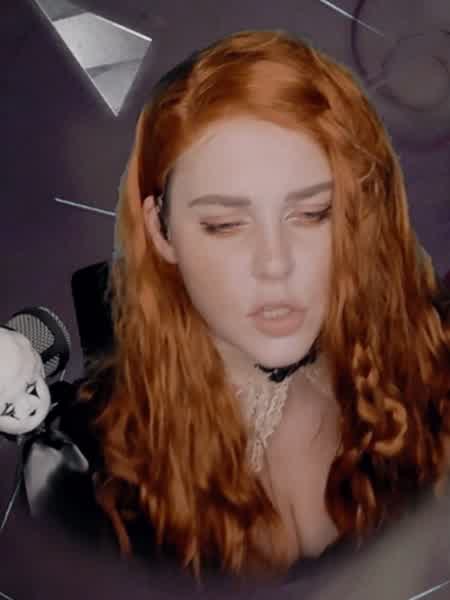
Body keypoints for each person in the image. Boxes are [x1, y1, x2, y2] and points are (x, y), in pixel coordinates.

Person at [30, 29, 450, 583]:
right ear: (161, 230)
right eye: (225, 225)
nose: (274, 263)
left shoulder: (424, 375)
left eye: (312, 214)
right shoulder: (80, 470)